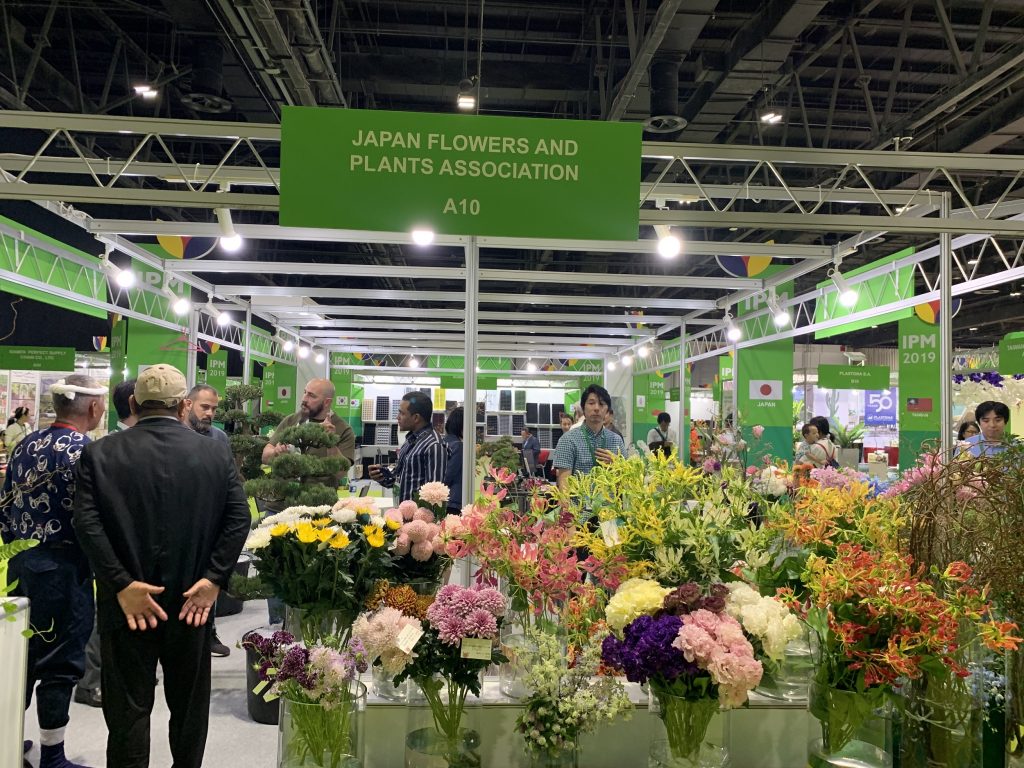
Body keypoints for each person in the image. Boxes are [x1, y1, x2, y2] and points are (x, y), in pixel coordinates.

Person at [72, 364, 250, 768]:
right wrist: (213, 579)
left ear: (134, 403)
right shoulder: (214, 453)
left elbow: (86, 524)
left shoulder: (99, 453)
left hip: (128, 608)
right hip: (193, 603)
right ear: (184, 406)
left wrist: (121, 584)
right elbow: (238, 519)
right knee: (188, 709)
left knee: (127, 711)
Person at [1, 375, 107, 768]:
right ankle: (53, 754)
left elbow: (4, 504)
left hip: (21, 563)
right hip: (64, 568)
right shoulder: (83, 450)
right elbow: (91, 517)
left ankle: (8, 744)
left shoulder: (24, 444)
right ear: (94, 408)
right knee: (61, 662)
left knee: (19, 658)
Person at [183, 384, 231, 658]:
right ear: (187, 405)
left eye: (214, 408)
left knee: (209, 579)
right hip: (181, 523)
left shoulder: (219, 438)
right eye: (205, 407)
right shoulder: (175, 436)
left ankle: (208, 630)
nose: (210, 413)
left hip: (210, 522)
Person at [368, 391, 446, 502]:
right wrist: (381, 476)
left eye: (402, 413)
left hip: (419, 518)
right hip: (401, 514)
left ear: (416, 418)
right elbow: (397, 479)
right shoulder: (410, 441)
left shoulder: (434, 445)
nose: (397, 417)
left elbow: (435, 495)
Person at [262, 378, 355, 465]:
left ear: (327, 402)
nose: (304, 399)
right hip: (287, 482)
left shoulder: (343, 429)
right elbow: (265, 457)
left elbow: (341, 472)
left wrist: (330, 444)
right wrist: (276, 452)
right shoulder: (291, 420)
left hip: (319, 483)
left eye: (312, 396)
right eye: (305, 392)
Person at [552, 384, 625, 490]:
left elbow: (626, 478)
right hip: (578, 505)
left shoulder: (616, 440)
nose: (596, 408)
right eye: (591, 403)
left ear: (607, 410)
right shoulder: (568, 440)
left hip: (609, 505)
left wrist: (616, 464)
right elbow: (564, 483)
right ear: (583, 408)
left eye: (601, 404)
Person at [442, 407, 464, 515]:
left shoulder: (443, 442)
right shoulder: (458, 446)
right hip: (453, 500)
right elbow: (449, 474)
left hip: (443, 499)